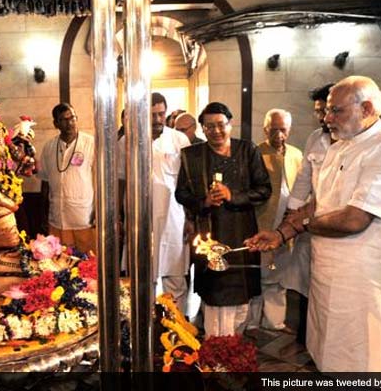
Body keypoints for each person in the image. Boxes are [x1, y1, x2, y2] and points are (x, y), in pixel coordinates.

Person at [245, 76, 381, 372]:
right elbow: (322, 200)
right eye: (326, 111)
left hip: (367, 279)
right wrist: (280, 233)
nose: (327, 118)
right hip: (329, 276)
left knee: (363, 360)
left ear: (365, 109)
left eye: (336, 111)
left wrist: (304, 225)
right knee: (329, 354)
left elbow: (354, 219)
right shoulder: (341, 145)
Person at [175, 102, 271, 337]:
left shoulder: (247, 150)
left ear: (230, 123)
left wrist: (233, 196)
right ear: (202, 129)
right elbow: (181, 193)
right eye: (209, 127)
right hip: (209, 233)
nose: (216, 131)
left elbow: (264, 189)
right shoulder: (192, 155)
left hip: (242, 233)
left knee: (241, 299)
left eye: (221, 125)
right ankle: (216, 349)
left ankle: (231, 345)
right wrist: (204, 202)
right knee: (216, 295)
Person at [119, 92, 190, 313]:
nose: (158, 119)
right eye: (152, 115)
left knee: (175, 275)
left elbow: (190, 182)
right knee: (142, 274)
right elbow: (121, 180)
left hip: (174, 217)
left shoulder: (180, 140)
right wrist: (120, 217)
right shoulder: (126, 141)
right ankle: (144, 323)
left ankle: (177, 326)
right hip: (140, 216)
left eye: (161, 114)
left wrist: (192, 218)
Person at [280, 83, 335, 351]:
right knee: (304, 282)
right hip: (308, 224)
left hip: (339, 230)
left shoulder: (360, 143)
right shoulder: (315, 138)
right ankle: (305, 336)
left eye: (328, 110)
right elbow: (303, 181)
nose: (324, 118)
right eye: (319, 111)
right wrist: (290, 219)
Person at [253, 109, 302, 333]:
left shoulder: (296, 154)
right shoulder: (255, 153)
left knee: (280, 274)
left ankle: (275, 321)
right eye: (274, 130)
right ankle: (253, 322)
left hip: (287, 224)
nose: (279, 135)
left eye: (283, 130)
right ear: (265, 130)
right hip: (262, 221)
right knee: (259, 273)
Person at [38, 103, 96, 254]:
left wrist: (99, 211)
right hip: (57, 218)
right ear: (56, 123)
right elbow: (45, 182)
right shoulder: (49, 147)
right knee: (59, 263)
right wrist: (43, 215)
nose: (70, 123)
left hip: (83, 217)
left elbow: (100, 181)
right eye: (64, 120)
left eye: (73, 118)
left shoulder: (91, 144)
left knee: (88, 264)